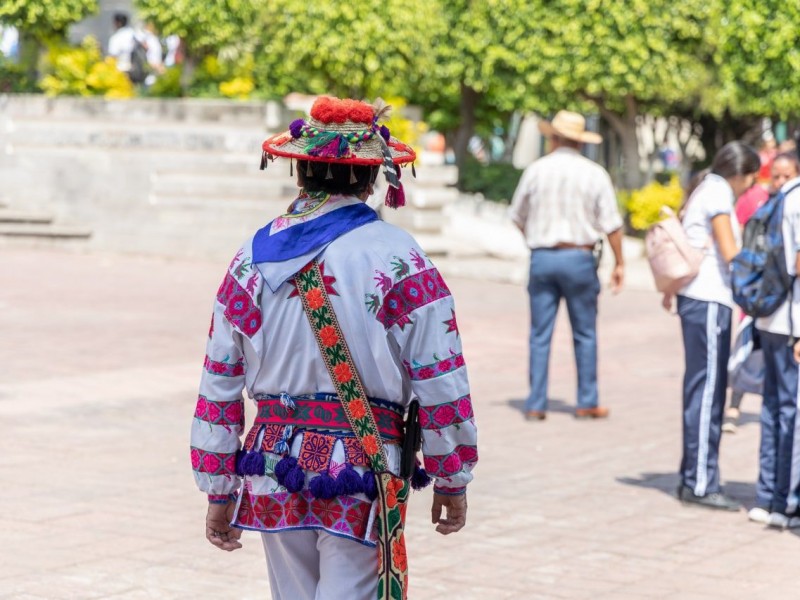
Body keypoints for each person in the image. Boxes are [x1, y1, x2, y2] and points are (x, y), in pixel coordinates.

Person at [190, 96, 478, 600]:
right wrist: (451, 474)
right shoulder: (400, 258)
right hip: (362, 467)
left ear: (300, 171)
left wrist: (219, 486)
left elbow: (220, 378)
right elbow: (440, 377)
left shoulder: (248, 259)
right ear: (371, 181)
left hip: (274, 464)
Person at [508, 110, 625, 421]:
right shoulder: (595, 173)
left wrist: (537, 240)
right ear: (581, 142)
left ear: (554, 138)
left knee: (539, 334)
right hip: (580, 258)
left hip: (543, 257)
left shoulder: (536, 170)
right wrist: (620, 262)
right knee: (585, 333)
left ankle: (536, 403)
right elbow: (612, 224)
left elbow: (517, 215)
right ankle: (587, 400)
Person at [663, 141, 760, 511]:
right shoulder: (719, 191)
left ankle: (694, 476)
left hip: (697, 299)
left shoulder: (705, 187)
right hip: (708, 300)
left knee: (701, 388)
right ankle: (701, 483)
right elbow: (731, 251)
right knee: (707, 392)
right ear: (743, 175)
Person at [724, 152, 800, 434]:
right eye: (776, 176)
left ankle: (772, 478)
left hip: (772, 312)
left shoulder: (774, 204)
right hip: (777, 313)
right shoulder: (771, 204)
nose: (780, 182)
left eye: (787, 176)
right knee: (783, 402)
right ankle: (779, 478)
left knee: (775, 399)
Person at [751, 166, 800, 528]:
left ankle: (766, 496)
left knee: (772, 407)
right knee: (790, 413)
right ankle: (786, 502)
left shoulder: (778, 200)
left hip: (768, 318)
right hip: (791, 323)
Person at [107, 13, 136, 78]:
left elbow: (113, 56)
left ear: (118, 23)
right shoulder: (134, 34)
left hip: (122, 71)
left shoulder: (116, 37)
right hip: (137, 70)